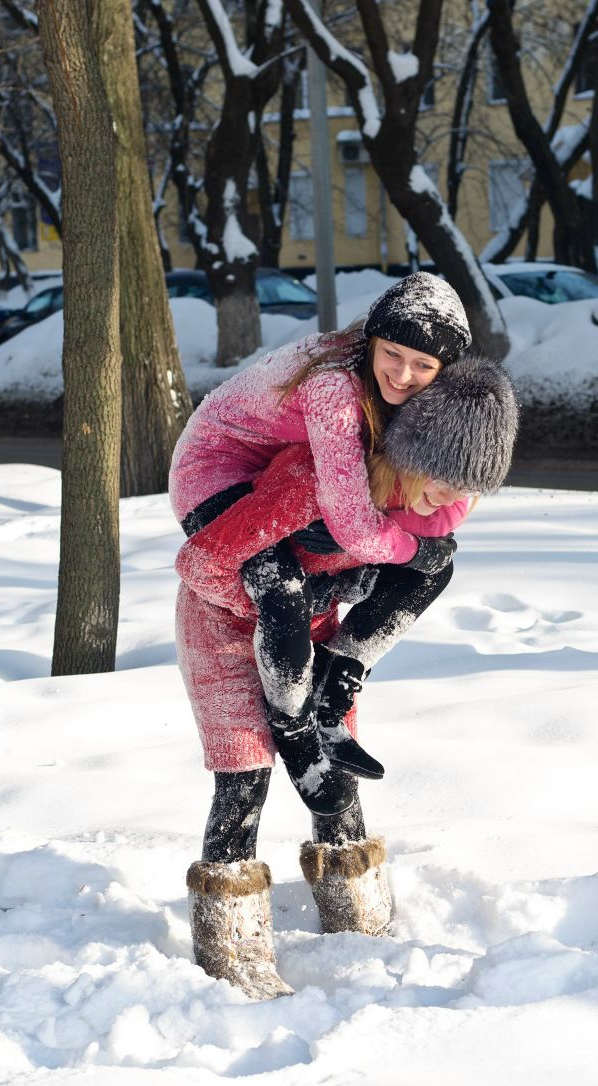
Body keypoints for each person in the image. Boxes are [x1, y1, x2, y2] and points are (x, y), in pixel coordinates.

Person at [171, 338, 520, 999]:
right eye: (443, 481)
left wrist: (339, 655)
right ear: (405, 455)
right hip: (223, 626)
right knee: (246, 776)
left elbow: (412, 578)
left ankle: (355, 912)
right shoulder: (316, 483)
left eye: (466, 489)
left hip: (308, 641)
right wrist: (281, 591)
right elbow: (203, 564)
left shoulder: (420, 511)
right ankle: (230, 939)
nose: (450, 500)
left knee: (338, 779)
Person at [170, 273, 473, 820]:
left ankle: (339, 675)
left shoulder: (430, 397)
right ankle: (296, 736)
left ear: (445, 370)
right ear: (372, 342)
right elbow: (353, 522)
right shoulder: (336, 388)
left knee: (434, 564)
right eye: (392, 354)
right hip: (218, 474)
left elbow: (453, 494)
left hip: (283, 482)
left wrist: (427, 548)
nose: (403, 375)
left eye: (423, 366)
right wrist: (408, 550)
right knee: (282, 590)